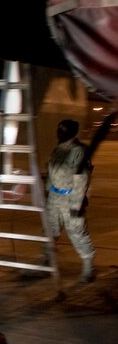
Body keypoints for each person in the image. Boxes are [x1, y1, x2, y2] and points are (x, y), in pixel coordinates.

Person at [46, 119, 96, 283]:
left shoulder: (79, 151)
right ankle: (46, 261)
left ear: (71, 132)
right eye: (58, 129)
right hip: (54, 197)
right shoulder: (57, 149)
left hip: (70, 198)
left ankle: (88, 267)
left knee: (77, 232)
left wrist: (77, 204)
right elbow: (51, 172)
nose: (59, 133)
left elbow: (81, 179)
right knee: (49, 230)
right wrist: (47, 192)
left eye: (63, 130)